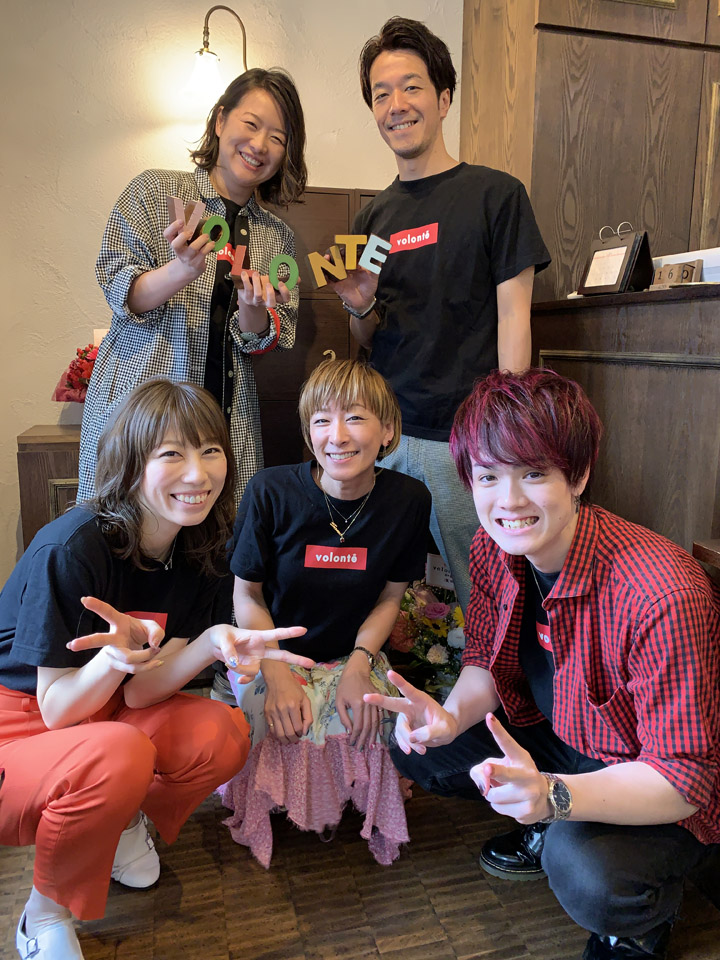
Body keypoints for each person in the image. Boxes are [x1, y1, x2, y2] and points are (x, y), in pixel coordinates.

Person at [365, 368, 720, 960]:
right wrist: (449, 718)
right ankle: (548, 813)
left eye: (533, 473)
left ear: (577, 476)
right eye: (488, 476)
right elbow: (486, 657)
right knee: (418, 745)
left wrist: (555, 795)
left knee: (585, 871)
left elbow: (685, 779)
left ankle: (640, 919)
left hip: (654, 778)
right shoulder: (494, 545)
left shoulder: (660, 593)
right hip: (562, 735)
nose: (508, 501)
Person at [0, 379, 311, 960]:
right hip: (20, 720)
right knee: (118, 754)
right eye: (172, 454)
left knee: (221, 733)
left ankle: (118, 819)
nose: (198, 474)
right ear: (130, 464)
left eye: (210, 451)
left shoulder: (205, 546)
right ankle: (42, 915)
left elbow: (142, 694)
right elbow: (56, 707)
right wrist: (112, 661)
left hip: (111, 708)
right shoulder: (73, 548)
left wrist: (212, 643)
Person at [329, 17, 550, 613]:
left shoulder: (495, 196)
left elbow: (515, 318)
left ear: (444, 98)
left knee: (486, 589)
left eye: (411, 87)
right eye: (381, 94)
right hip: (387, 436)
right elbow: (365, 336)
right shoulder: (373, 218)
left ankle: (493, 676)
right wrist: (359, 304)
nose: (396, 105)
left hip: (466, 438)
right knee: (392, 591)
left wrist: (504, 434)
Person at [219, 358, 432, 866]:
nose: (337, 436)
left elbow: (390, 597)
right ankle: (280, 801)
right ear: (308, 432)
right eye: (321, 420)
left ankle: (341, 800)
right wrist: (276, 671)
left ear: (387, 430)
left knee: (369, 716)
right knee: (285, 718)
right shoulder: (270, 491)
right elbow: (247, 597)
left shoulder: (407, 499)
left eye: (355, 417)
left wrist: (360, 663)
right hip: (272, 650)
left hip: (352, 651)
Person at [79, 67, 308, 503]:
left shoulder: (275, 236)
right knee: (130, 528)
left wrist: (253, 308)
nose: (260, 145)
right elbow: (118, 287)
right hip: (142, 411)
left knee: (217, 537)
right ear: (220, 120)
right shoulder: (155, 191)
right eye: (251, 124)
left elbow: (267, 339)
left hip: (226, 420)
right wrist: (181, 270)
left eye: (277, 138)